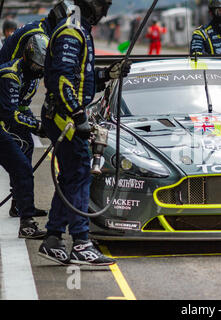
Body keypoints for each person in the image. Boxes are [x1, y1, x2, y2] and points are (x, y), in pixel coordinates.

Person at [38, 0, 131, 266]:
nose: (106, 11)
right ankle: (81, 243)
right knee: (79, 172)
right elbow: (63, 80)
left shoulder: (81, 30)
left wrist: (109, 74)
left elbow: (82, 77)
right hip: (65, 117)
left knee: (70, 176)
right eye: (104, 4)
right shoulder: (72, 31)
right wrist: (78, 116)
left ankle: (53, 238)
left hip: (67, 114)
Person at [0, 0, 75, 218]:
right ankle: (23, 208)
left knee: (26, 151)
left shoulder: (43, 31)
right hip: (9, 97)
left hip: (18, 97)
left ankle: (20, 203)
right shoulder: (34, 35)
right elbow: (19, 67)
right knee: (20, 160)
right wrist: (32, 123)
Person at [0, 34, 49, 239]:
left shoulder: (33, 75)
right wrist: (36, 125)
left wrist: (41, 123)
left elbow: (22, 106)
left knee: (27, 147)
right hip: (3, 121)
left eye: (42, 67)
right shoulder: (10, 75)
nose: (40, 71)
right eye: (37, 66)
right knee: (21, 167)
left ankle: (19, 205)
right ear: (28, 57)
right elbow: (9, 113)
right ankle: (27, 224)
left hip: (7, 119)